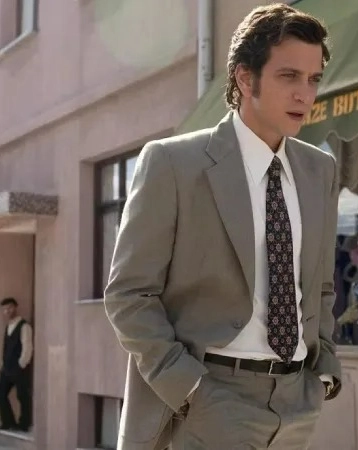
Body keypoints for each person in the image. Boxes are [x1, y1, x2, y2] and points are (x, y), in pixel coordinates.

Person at [104, 3, 341, 449]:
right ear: (245, 78)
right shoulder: (173, 164)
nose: (305, 95)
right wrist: (189, 388)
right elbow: (129, 295)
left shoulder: (319, 170)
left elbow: (320, 286)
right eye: (289, 76)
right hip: (207, 402)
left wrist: (323, 372)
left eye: (313, 79)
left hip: (296, 406)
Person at [0, 297, 32, 432]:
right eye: (5, 309)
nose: (7, 311)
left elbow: (27, 347)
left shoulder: (24, 326)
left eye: (10, 308)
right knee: (1, 393)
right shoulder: (8, 326)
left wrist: (21, 364)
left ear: (15, 307)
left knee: (22, 396)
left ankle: (24, 424)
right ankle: (8, 422)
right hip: (7, 368)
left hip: (19, 368)